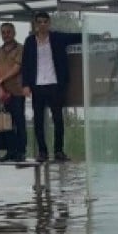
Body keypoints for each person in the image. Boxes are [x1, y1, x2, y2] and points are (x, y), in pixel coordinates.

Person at [22, 10, 82, 162]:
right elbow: (26, 64)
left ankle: (58, 151)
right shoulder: (30, 41)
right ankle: (42, 152)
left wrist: (97, 35)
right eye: (39, 22)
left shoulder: (57, 38)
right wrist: (26, 85)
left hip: (55, 84)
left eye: (45, 22)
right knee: (38, 120)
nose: (42, 25)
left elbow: (77, 37)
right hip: (37, 85)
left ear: (49, 23)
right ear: (35, 24)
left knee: (58, 119)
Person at [0, 21, 26, 161]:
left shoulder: (20, 49)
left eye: (8, 32)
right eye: (3, 32)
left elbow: (16, 68)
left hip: (17, 91)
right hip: (3, 93)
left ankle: (21, 151)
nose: (6, 35)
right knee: (7, 123)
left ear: (14, 33)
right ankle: (10, 151)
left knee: (19, 122)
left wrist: (1, 80)